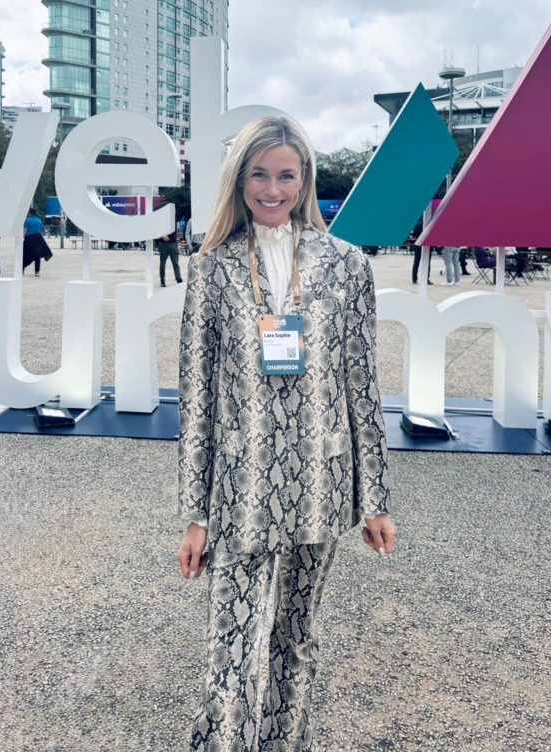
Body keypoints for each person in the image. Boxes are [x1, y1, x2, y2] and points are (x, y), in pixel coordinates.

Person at [177, 115, 395, 752]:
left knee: (294, 639)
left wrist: (375, 500)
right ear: (239, 180)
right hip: (239, 492)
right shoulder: (212, 272)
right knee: (233, 645)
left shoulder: (347, 267)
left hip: (319, 488)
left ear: (305, 180)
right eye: (259, 175)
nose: (272, 189)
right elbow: (198, 403)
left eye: (286, 175)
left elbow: (362, 388)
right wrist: (194, 514)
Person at [22, 208, 53, 276]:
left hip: (30, 239)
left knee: (27, 255)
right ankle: (37, 272)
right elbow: (42, 231)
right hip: (39, 238)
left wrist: (23, 238)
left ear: (29, 213)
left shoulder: (27, 220)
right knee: (37, 256)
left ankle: (22, 269)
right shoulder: (39, 220)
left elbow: (25, 230)